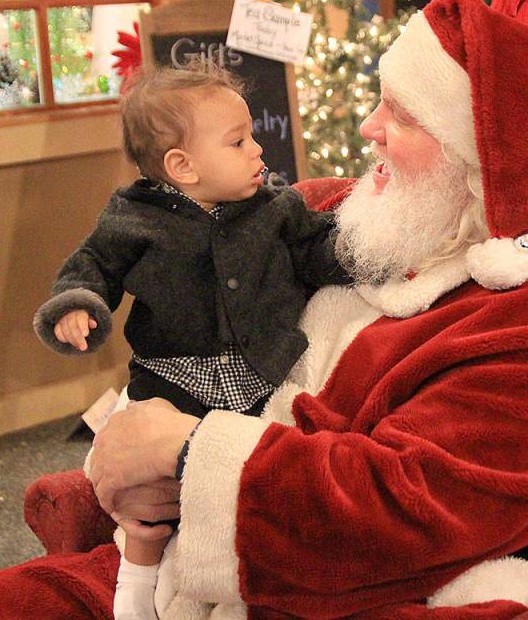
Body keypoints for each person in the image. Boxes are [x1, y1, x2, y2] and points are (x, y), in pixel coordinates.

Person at [0, 0, 528, 619]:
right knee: (10, 601)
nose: (369, 127)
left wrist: (187, 451)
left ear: (473, 159)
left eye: (400, 112)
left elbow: (419, 510)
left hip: (340, 584)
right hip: (210, 547)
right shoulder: (373, 228)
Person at [31, 63, 351, 619]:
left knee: (244, 469)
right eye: (238, 141)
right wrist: (78, 305)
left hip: (260, 367)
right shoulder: (134, 218)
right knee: (152, 486)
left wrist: (366, 256)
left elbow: (319, 248)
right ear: (182, 167)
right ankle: (138, 573)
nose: (258, 151)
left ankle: (231, 567)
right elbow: (94, 265)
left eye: (252, 136)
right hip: (172, 372)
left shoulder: (275, 208)